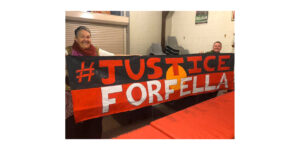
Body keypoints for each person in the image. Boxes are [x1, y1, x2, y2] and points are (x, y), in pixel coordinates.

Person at [65, 26, 114, 139]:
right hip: (74, 97)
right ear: (76, 39)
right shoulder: (68, 52)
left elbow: (114, 57)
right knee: (73, 128)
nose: (86, 39)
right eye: (82, 37)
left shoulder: (96, 51)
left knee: (93, 125)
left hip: (92, 95)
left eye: (88, 37)